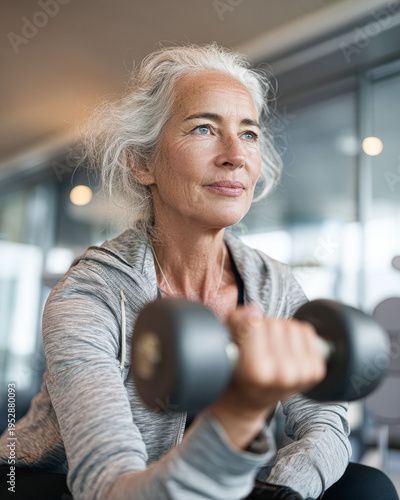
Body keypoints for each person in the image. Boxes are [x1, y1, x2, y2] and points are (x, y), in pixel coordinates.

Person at [0, 42, 398, 500]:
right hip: (67, 483)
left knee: (366, 488)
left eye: (248, 134)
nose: (235, 155)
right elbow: (108, 486)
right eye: (204, 129)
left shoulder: (274, 283)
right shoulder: (90, 294)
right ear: (142, 162)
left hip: (216, 477)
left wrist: (282, 490)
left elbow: (326, 424)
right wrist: (240, 409)